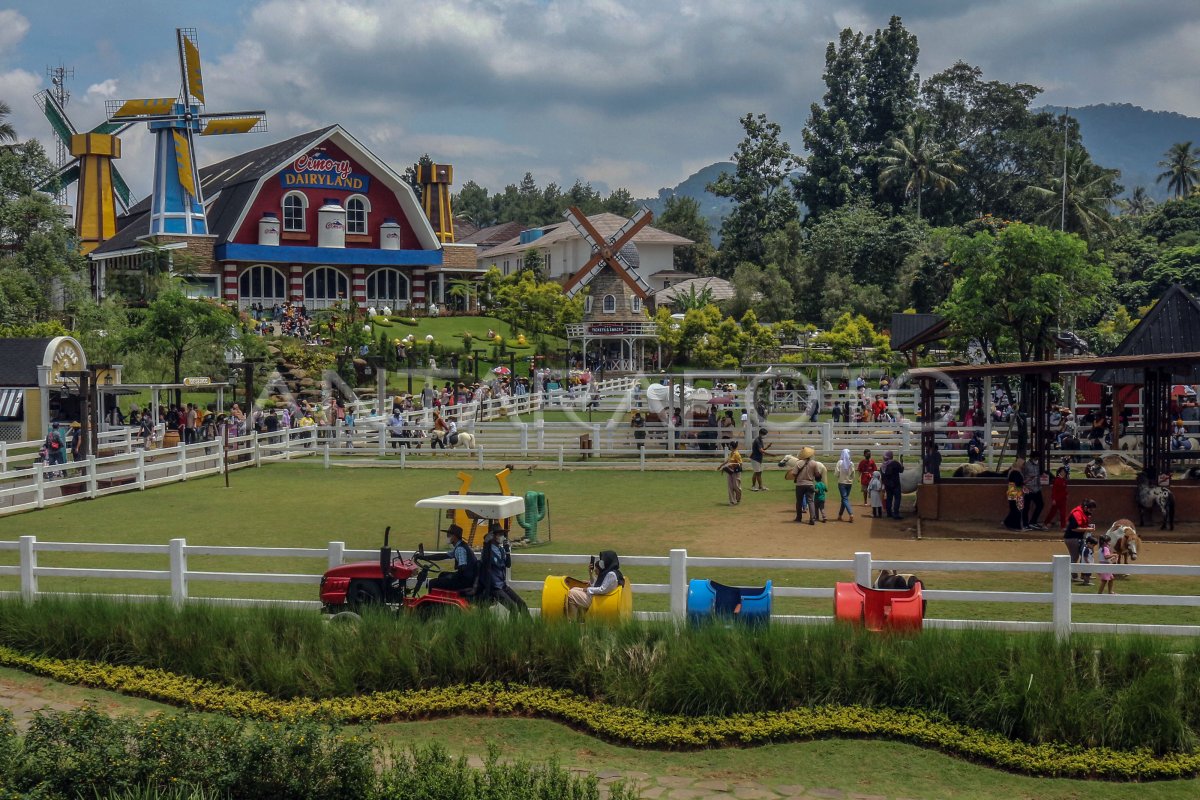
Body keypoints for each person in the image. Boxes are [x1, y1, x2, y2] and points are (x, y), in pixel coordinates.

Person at [479, 523, 529, 616]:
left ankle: (530, 626)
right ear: (493, 536)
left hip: (502, 585)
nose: (502, 537)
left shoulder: (501, 550)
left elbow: (508, 564)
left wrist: (507, 551)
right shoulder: (487, 550)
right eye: (500, 534)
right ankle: (512, 629)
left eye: (503, 534)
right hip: (494, 587)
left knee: (522, 604)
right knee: (513, 608)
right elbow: (485, 561)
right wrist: (486, 544)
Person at [566, 550, 623, 621]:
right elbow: (598, 585)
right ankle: (579, 618)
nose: (601, 562)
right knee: (574, 589)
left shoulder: (611, 574)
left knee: (571, 594)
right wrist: (590, 574)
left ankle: (572, 621)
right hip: (598, 596)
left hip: (598, 599)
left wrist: (588, 589)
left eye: (603, 560)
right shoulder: (610, 572)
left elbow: (603, 589)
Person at [427, 525, 478, 592]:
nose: (447, 537)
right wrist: (426, 557)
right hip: (467, 577)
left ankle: (432, 602)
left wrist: (452, 577)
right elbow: (443, 556)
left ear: (454, 536)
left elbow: (463, 568)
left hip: (464, 581)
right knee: (442, 574)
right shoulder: (460, 546)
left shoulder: (460, 549)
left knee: (432, 583)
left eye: (449, 535)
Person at [1064, 499, 1097, 580]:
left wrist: (1088, 527)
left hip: (1079, 537)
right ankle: (1073, 576)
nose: (1091, 512)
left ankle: (1085, 574)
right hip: (1072, 538)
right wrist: (1088, 529)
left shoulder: (1083, 513)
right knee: (1074, 557)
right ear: (1085, 507)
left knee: (1084, 555)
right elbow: (1074, 528)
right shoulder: (1077, 514)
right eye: (1090, 509)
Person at [792, 446, 821, 525]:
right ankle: (812, 519)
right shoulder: (814, 463)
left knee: (799, 501)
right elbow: (817, 474)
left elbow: (793, 473)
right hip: (810, 484)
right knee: (811, 501)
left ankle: (799, 517)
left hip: (800, 485)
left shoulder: (798, 463)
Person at [1022, 453, 1045, 530]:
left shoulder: (1038, 465)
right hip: (1028, 489)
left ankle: (1033, 522)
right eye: (1035, 458)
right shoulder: (1026, 465)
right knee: (1026, 507)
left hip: (1037, 488)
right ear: (1032, 458)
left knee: (1040, 504)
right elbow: (1023, 476)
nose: (1036, 460)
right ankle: (1025, 524)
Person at [1043, 466, 1070, 530]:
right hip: (1057, 500)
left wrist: (1066, 494)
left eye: (1064, 472)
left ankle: (1063, 526)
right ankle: (1045, 524)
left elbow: (1064, 490)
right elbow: (1054, 490)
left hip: (1063, 500)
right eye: (1062, 472)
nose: (1063, 473)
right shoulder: (1057, 480)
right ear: (1059, 472)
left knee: (1063, 513)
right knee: (1052, 513)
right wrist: (1054, 499)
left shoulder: (1064, 480)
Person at [880, 451, 904, 520]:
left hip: (887, 485)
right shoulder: (895, 463)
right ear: (891, 456)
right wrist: (902, 463)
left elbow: (883, 476)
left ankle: (889, 513)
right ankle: (896, 514)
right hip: (895, 484)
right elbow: (901, 470)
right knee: (897, 498)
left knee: (889, 498)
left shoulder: (882, 466)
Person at [1003, 459, 1025, 531]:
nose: (1023, 466)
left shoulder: (1013, 471)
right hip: (1015, 491)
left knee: (1014, 509)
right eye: (1022, 464)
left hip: (1012, 491)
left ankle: (1008, 523)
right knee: (1017, 509)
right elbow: (1017, 482)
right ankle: (1015, 526)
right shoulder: (1015, 472)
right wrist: (1023, 483)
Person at [719, 440, 743, 506]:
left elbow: (740, 463)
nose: (729, 446)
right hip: (729, 471)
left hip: (736, 472)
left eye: (729, 445)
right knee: (730, 487)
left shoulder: (737, 454)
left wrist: (731, 464)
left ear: (732, 446)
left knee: (736, 486)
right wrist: (721, 465)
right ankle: (732, 501)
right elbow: (728, 460)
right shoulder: (731, 453)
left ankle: (738, 498)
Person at [834, 448, 854, 523]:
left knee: (845, 499)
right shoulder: (851, 463)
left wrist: (840, 476)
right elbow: (853, 474)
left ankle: (851, 514)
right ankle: (840, 515)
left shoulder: (840, 462)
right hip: (849, 483)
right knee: (844, 499)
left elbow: (836, 473)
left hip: (842, 483)